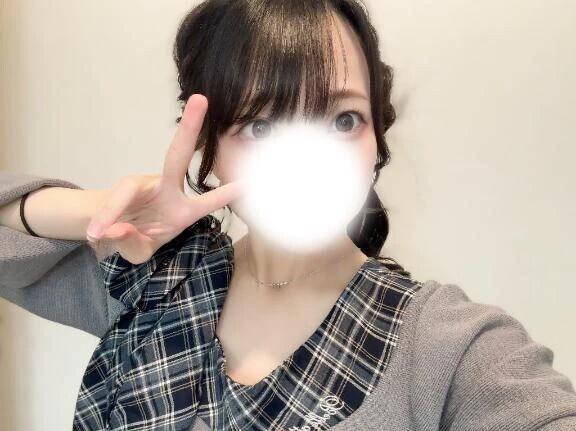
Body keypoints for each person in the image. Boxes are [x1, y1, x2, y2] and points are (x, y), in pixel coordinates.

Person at [1, 0, 575, 430]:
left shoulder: (446, 345)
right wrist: (94, 211)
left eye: (344, 120)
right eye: (261, 125)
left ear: (376, 139)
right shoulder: (157, 277)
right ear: (209, 150)